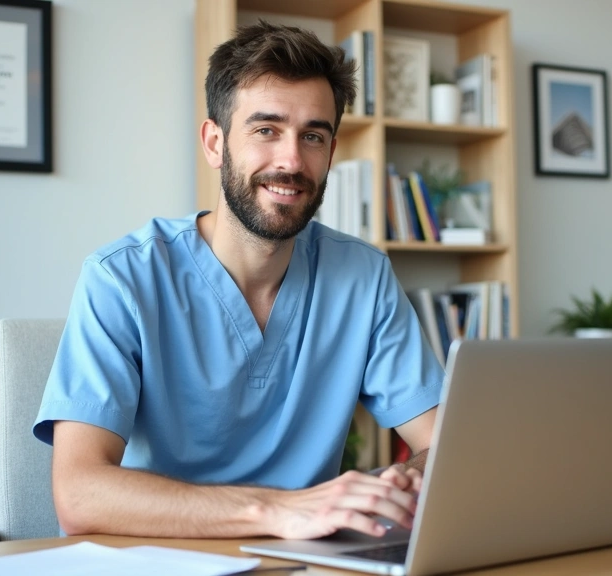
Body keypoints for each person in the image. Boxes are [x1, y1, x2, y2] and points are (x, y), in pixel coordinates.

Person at [32, 20, 444, 541]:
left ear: (332, 152)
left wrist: (400, 482)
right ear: (215, 142)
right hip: (160, 560)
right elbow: (79, 495)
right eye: (266, 130)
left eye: (312, 136)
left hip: (308, 563)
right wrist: (274, 511)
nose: (291, 160)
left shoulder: (363, 276)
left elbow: (446, 442)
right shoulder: (121, 278)